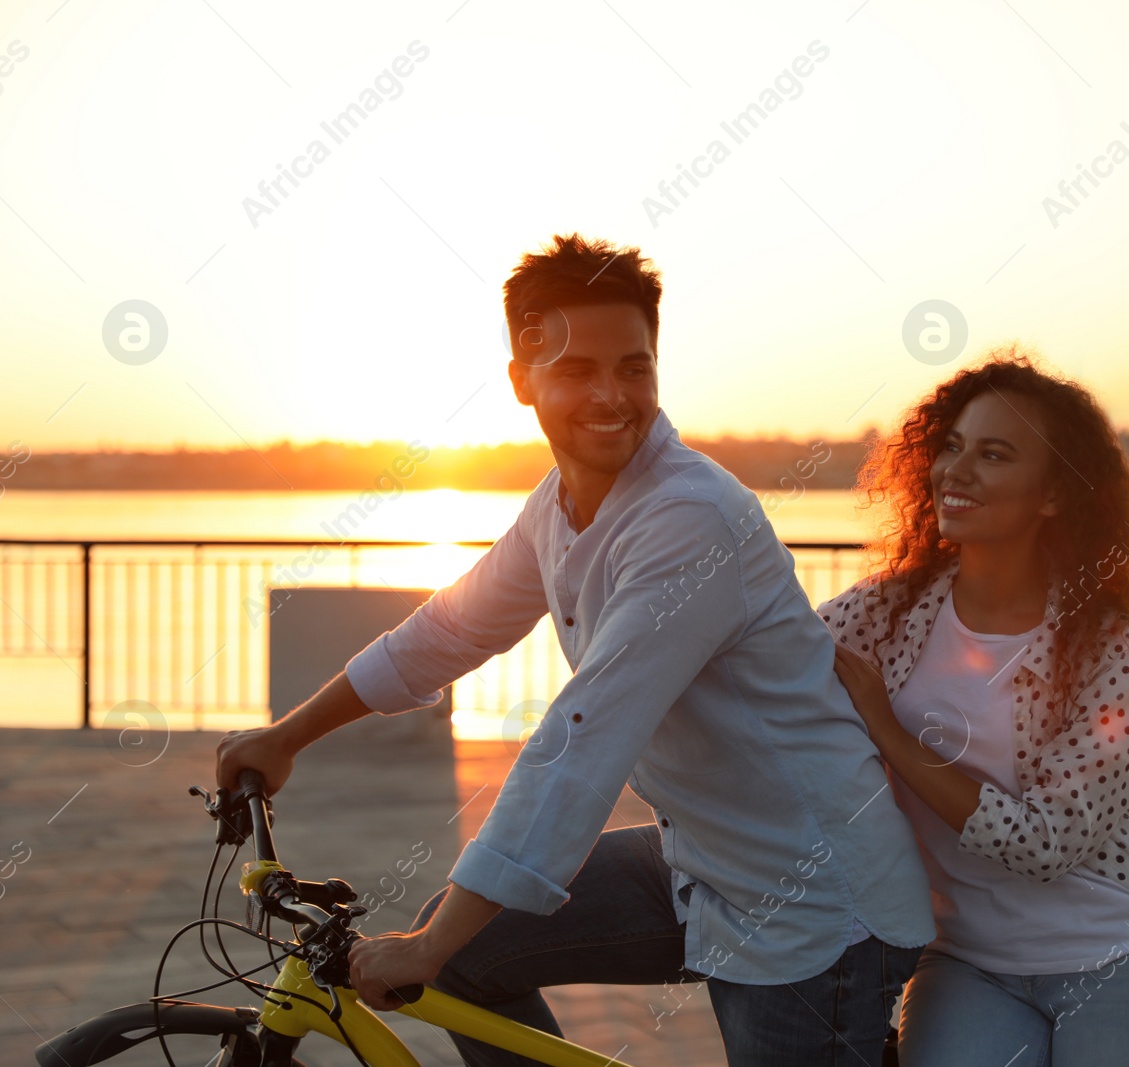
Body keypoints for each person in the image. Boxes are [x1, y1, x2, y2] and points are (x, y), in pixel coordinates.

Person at [215, 233, 933, 1066]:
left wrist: (428, 941)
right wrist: (286, 737)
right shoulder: (559, 506)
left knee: (447, 946)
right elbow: (446, 631)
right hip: (699, 852)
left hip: (811, 901)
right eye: (577, 368)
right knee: (470, 962)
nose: (612, 394)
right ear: (522, 378)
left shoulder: (687, 518)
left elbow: (581, 740)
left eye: (634, 367)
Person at [819, 351, 1129, 1066]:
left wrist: (886, 728)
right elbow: (766, 659)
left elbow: (1047, 840)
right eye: (951, 446)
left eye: (994, 454)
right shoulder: (886, 612)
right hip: (965, 961)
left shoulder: (1107, 644)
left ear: (1053, 494)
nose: (957, 469)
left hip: (1118, 955)